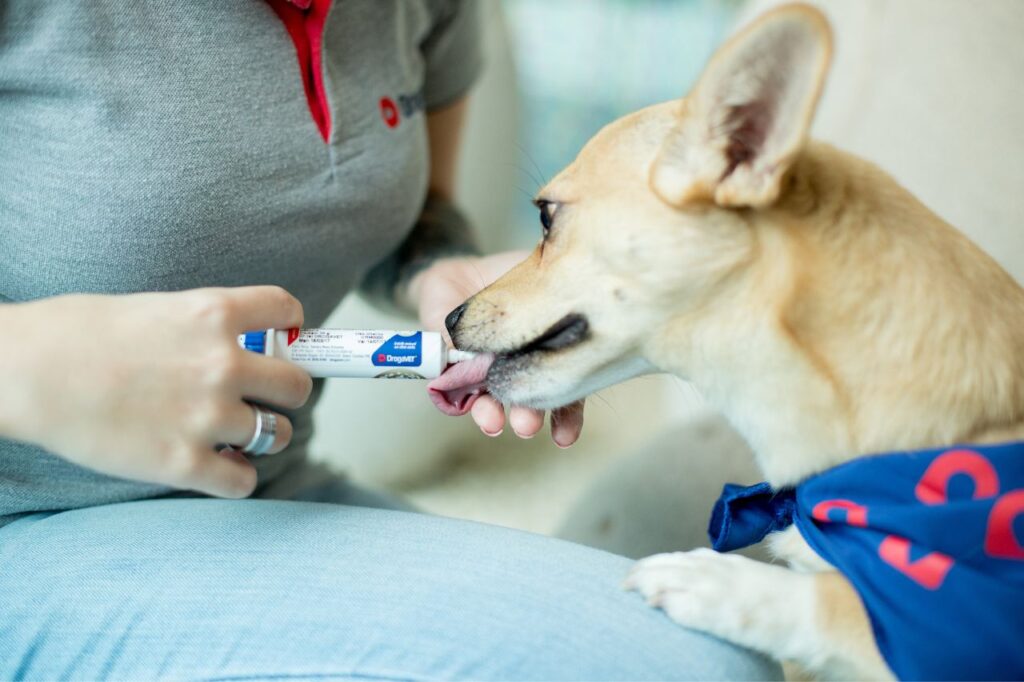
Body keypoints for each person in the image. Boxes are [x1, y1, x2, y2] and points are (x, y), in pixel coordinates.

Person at [0, 2, 781, 678]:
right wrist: (33, 365)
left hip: (270, 493)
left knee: (714, 645)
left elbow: (409, 214)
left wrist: (442, 273)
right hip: (27, 531)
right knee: (696, 668)